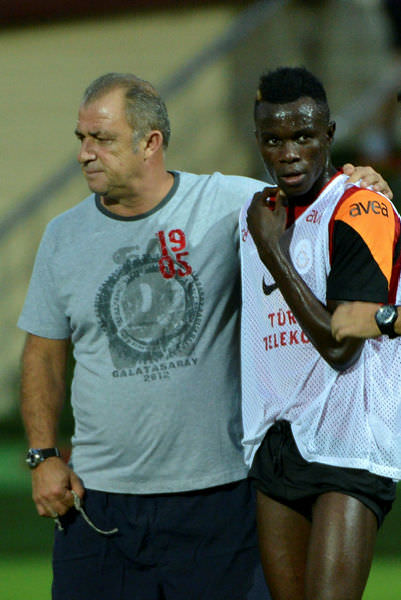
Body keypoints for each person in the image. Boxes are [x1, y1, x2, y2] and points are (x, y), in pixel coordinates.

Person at [18, 71, 390, 600]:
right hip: (100, 499)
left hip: (221, 496)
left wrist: (363, 185)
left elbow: (319, 195)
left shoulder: (235, 203)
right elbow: (43, 353)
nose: (85, 153)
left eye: (101, 139)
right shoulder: (62, 235)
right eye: (82, 138)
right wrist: (42, 454)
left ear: (150, 142)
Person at [240, 66, 401, 600]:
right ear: (258, 140)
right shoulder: (255, 213)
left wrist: (274, 252)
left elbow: (339, 344)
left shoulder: (362, 208)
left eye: (304, 137)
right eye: (273, 140)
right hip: (278, 440)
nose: (289, 153)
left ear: (329, 135)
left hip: (349, 440)